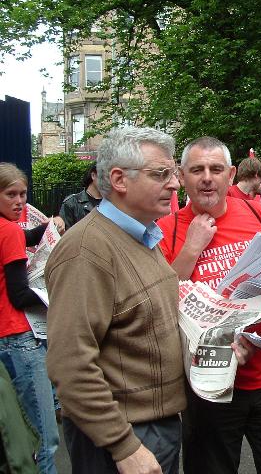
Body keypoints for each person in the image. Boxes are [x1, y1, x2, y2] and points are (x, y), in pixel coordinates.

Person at [156, 136, 261, 474]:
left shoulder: (259, 213)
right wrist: (192, 248)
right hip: (209, 387)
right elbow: (162, 299)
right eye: (197, 170)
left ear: (230, 174)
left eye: (215, 169)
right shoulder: (168, 229)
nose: (207, 177)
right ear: (182, 176)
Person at [46, 128, 187, 474]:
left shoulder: (141, 235)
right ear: (119, 180)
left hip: (152, 426)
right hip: (123, 438)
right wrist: (124, 448)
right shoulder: (86, 251)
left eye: (174, 173)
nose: (175, 185)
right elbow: (70, 364)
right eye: (161, 174)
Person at [0, 163, 59, 474]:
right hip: (20, 338)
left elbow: (25, 238)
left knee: (16, 432)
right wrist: (53, 297)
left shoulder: (6, 228)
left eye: (23, 194)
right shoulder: (9, 230)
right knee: (44, 437)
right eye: (11, 194)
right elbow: (19, 294)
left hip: (3, 340)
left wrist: (48, 229)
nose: (19, 201)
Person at [58, 161, 102, 229]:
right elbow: (65, 234)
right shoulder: (72, 203)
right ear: (93, 175)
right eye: (105, 176)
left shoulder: (112, 202)